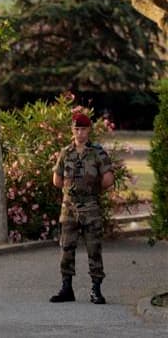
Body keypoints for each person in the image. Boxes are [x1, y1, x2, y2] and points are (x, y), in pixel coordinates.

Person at [49, 112, 114, 304]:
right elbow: (57, 180)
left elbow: (108, 179)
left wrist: (91, 190)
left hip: (91, 207)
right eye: (76, 129)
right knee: (67, 248)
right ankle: (66, 288)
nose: (80, 133)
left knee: (94, 248)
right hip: (69, 208)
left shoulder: (97, 152)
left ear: (89, 130)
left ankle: (96, 289)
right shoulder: (65, 153)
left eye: (83, 129)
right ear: (72, 130)